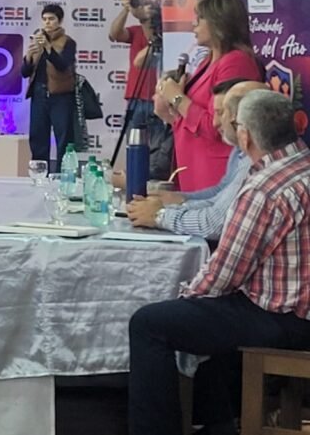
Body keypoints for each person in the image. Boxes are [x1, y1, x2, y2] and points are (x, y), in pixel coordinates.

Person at [128, 90, 310, 435]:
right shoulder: (300, 165)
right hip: (295, 312)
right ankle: (218, 423)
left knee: (149, 323)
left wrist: (184, 296)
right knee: (211, 315)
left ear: (245, 136)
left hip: (286, 319)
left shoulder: (264, 188)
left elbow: (224, 274)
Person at [127, 79, 264, 243]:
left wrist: (159, 214)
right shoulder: (239, 151)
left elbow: (214, 224)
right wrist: (177, 201)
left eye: (221, 113)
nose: (215, 122)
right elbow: (218, 196)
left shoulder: (255, 159)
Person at [156, 0, 263, 192]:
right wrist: (167, 107)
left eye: (200, 18)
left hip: (215, 170)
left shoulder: (236, 62)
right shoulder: (207, 61)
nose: (193, 24)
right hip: (192, 165)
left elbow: (220, 126)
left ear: (219, 22)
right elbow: (189, 118)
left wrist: (177, 97)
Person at [21, 4, 78, 171]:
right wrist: (29, 56)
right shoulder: (36, 40)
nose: (47, 22)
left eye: (51, 19)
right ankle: (39, 174)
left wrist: (48, 48)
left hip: (60, 96)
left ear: (59, 21)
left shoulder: (68, 42)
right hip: (39, 94)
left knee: (64, 138)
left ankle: (63, 175)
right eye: (44, 19)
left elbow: (62, 65)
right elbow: (24, 73)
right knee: (38, 137)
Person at [109, 0, 159, 130]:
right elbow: (115, 34)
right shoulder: (136, 30)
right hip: (136, 96)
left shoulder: (164, 33)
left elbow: (153, 42)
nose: (145, 8)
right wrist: (126, 9)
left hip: (159, 97)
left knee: (159, 143)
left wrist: (144, 18)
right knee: (134, 141)